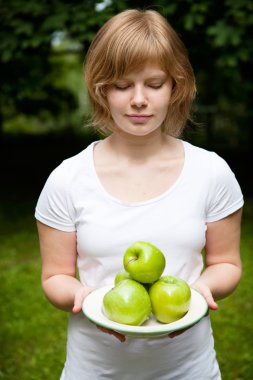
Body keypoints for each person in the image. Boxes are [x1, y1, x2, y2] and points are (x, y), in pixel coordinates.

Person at [35, 9, 244, 380]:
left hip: (189, 369)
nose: (139, 100)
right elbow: (55, 276)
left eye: (154, 83)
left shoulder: (211, 172)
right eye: (122, 85)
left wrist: (199, 291)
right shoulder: (67, 179)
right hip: (94, 370)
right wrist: (79, 297)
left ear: (175, 86)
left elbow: (227, 264)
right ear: (101, 88)